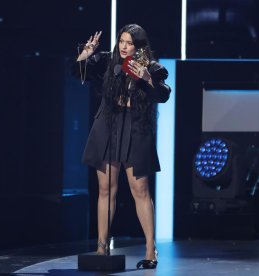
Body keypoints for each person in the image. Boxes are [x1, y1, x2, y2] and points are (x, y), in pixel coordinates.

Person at [73, 24, 171, 269]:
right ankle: (101, 246)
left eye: (130, 43)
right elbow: (78, 72)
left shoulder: (151, 66)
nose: (124, 47)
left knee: (140, 190)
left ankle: (151, 249)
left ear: (139, 46)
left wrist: (147, 78)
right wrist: (85, 53)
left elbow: (164, 93)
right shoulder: (108, 61)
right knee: (105, 188)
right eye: (122, 41)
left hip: (136, 126)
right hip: (108, 123)